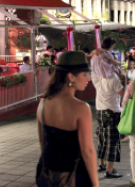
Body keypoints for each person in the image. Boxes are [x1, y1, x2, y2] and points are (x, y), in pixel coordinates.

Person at [35, 52, 97, 187]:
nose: (88, 79)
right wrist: (96, 184)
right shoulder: (81, 108)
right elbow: (88, 151)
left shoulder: (43, 102)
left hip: (46, 172)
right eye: (84, 74)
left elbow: (43, 141)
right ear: (71, 77)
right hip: (71, 176)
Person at [91, 45, 125, 178]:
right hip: (112, 111)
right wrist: (123, 78)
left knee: (102, 138)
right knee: (112, 141)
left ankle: (101, 164)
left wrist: (96, 53)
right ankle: (110, 170)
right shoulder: (113, 79)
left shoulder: (96, 75)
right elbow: (122, 93)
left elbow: (95, 59)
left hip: (100, 110)